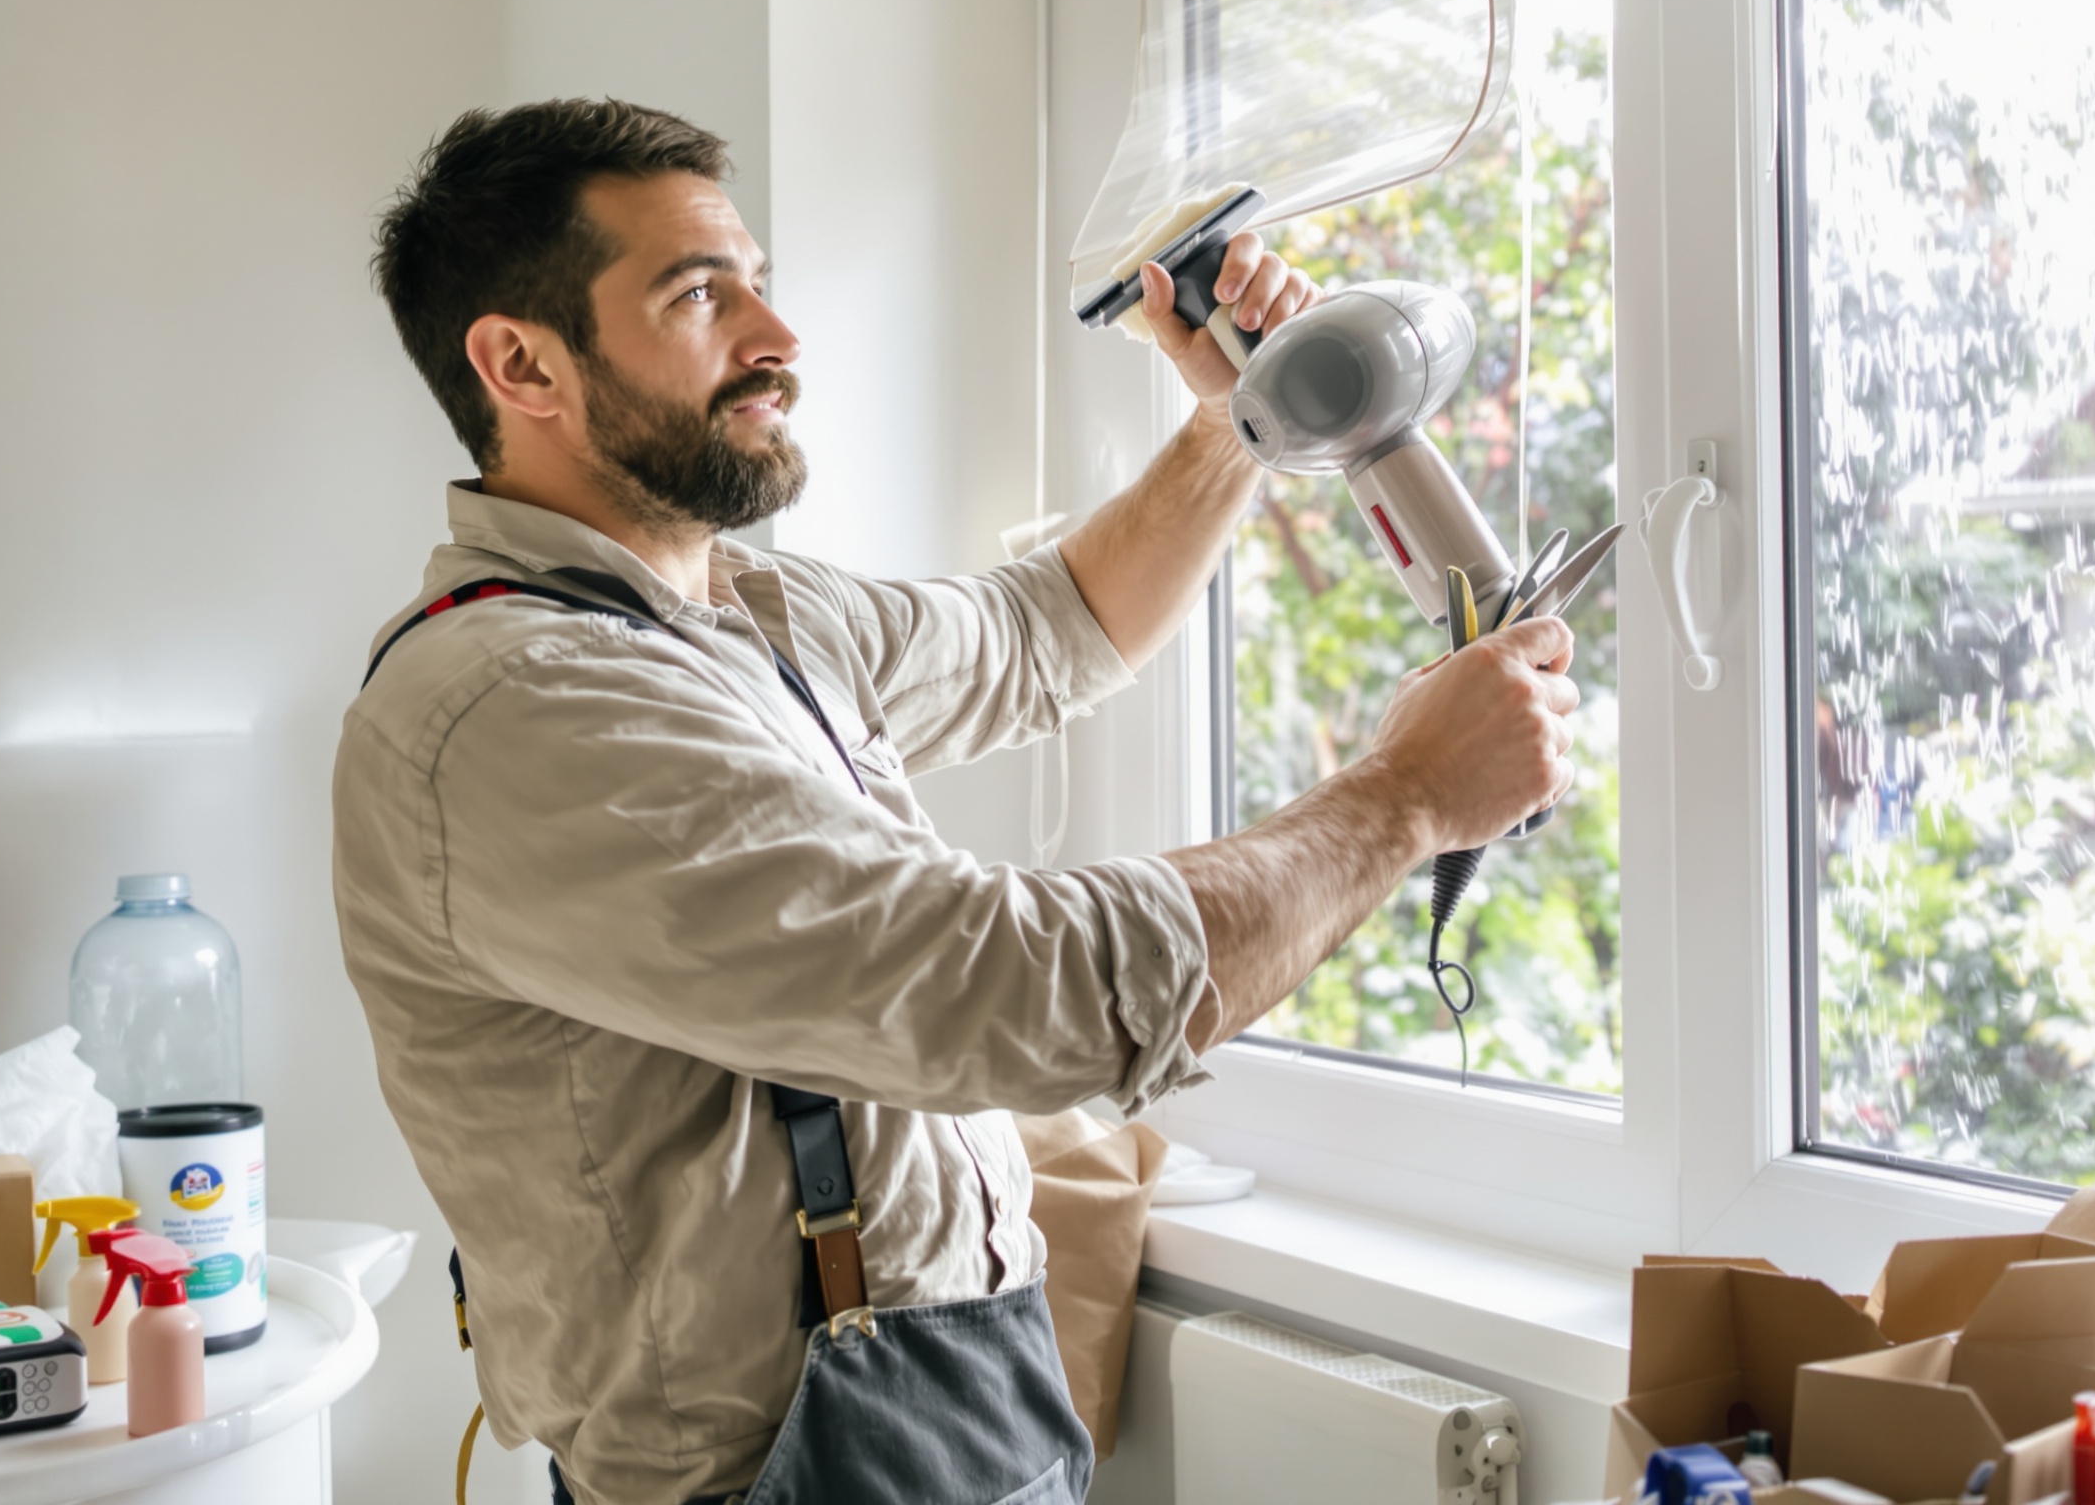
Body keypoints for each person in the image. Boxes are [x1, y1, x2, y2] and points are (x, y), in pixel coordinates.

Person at [333, 99, 1578, 1505]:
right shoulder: (511, 710)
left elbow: (1056, 627)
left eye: (756, 277)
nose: (776, 336)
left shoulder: (754, 616)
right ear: (520, 364)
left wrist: (1245, 416)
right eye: (698, 294)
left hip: (965, 1413)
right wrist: (1403, 799)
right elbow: (1011, 990)